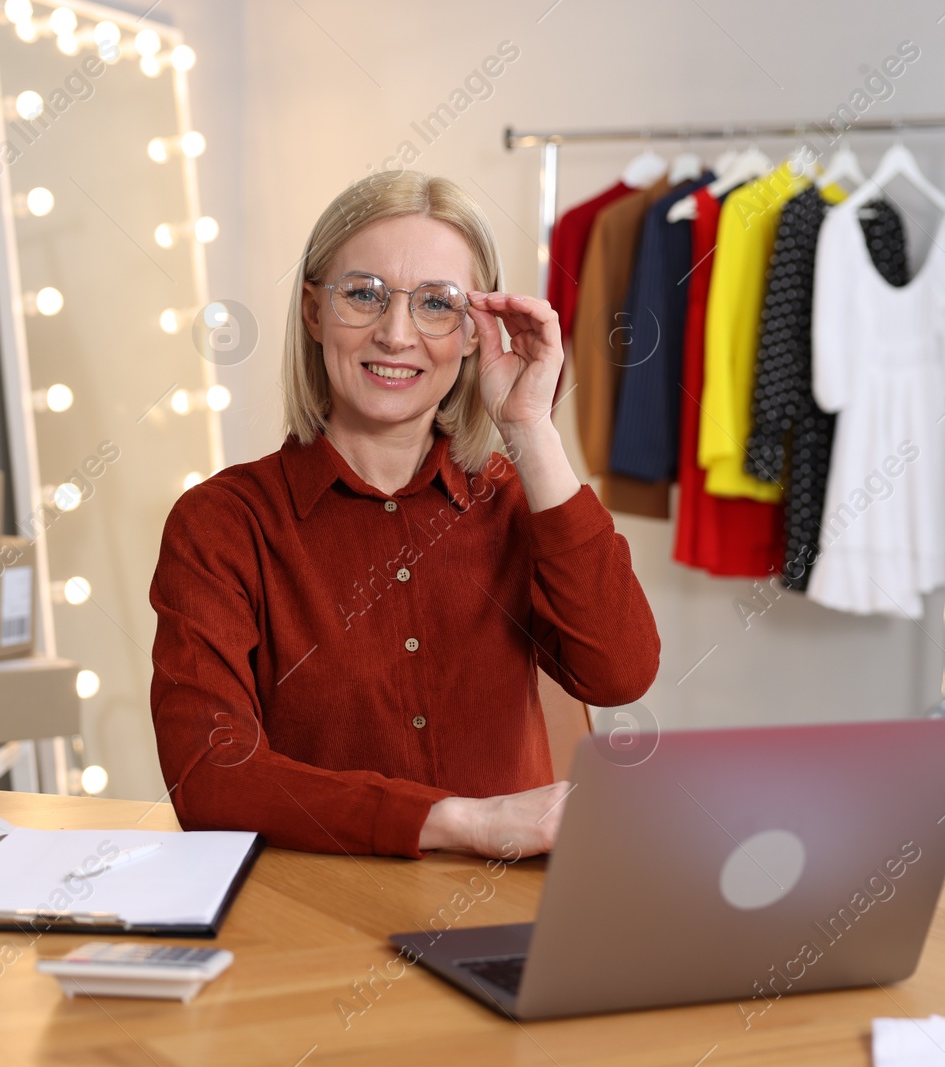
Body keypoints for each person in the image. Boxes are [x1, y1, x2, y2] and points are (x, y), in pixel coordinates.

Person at [149, 171, 659, 860]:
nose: (396, 334)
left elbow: (621, 674)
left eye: (437, 305)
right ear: (313, 311)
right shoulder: (219, 523)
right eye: (364, 294)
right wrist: (459, 821)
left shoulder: (517, 499)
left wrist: (531, 429)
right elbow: (208, 777)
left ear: (477, 333)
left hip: (499, 916)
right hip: (313, 919)